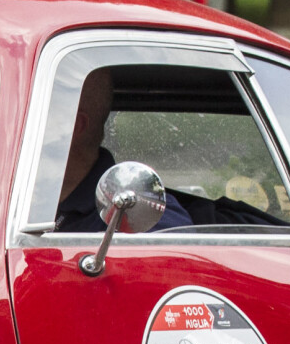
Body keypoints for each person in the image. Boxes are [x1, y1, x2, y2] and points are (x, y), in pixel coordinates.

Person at [55, 68, 191, 232]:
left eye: (34, 114)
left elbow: (175, 243)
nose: (24, 127)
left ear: (72, 126)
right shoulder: (36, 202)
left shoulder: (137, 210)